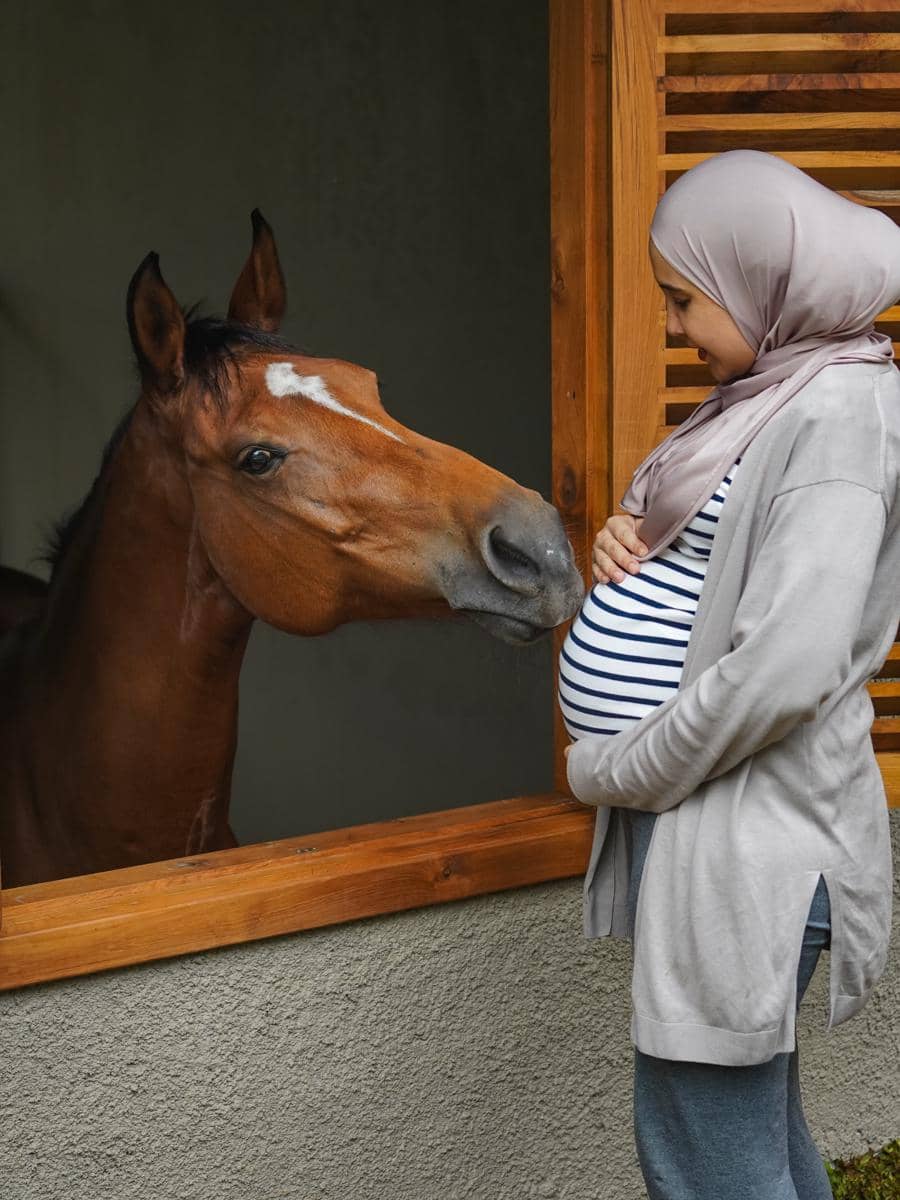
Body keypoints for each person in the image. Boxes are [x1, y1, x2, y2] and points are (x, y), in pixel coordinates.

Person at [559, 149, 900, 1200]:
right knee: (747, 1143)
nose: (673, 326)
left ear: (763, 280)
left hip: (754, 836)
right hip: (719, 832)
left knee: (705, 1158)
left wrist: (612, 769)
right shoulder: (771, 398)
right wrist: (627, 540)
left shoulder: (836, 418)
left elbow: (783, 672)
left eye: (684, 298)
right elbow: (716, 563)